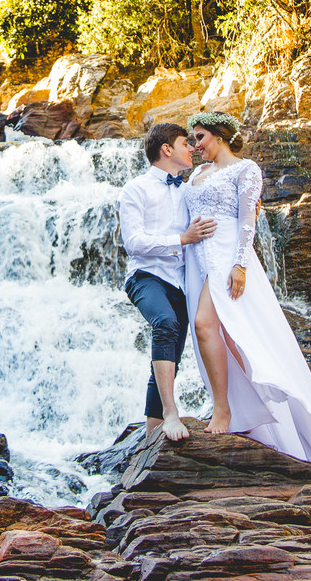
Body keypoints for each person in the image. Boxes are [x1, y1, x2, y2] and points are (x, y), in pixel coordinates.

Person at [183, 111, 311, 491]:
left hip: (229, 255)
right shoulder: (195, 176)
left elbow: (248, 219)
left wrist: (241, 264)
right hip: (198, 259)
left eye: (200, 137)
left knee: (207, 325)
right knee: (227, 337)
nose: (196, 145)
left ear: (220, 136)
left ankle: (224, 410)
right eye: (193, 139)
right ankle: (250, 409)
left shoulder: (245, 169)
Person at [117, 123, 216, 441]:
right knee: (165, 323)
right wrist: (181, 239)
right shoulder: (135, 189)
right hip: (145, 276)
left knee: (170, 351)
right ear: (167, 149)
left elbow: (221, 210)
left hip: (182, 283)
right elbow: (133, 242)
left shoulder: (188, 191)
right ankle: (172, 414)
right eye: (186, 142)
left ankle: (150, 438)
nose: (192, 148)